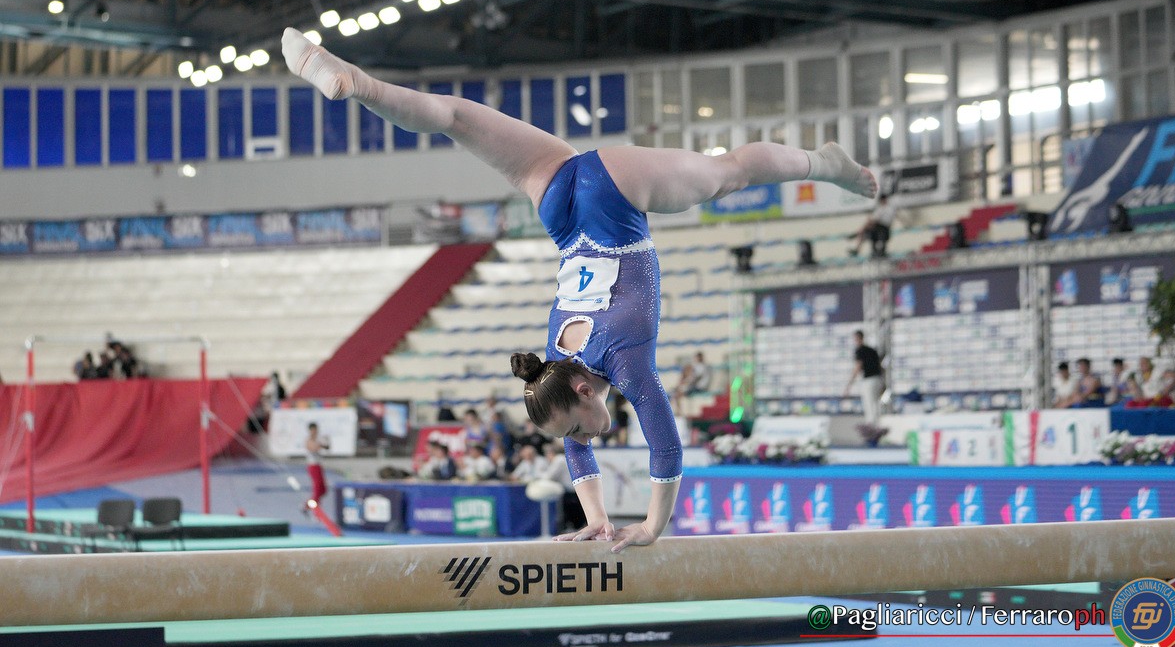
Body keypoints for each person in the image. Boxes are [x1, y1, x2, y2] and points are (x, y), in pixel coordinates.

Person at [282, 27, 876, 552]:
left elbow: (666, 448)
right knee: (456, 120)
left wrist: (653, 526)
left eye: (576, 427)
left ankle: (824, 164)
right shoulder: (555, 366)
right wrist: (597, 520)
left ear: (585, 389)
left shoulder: (624, 362)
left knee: (731, 171)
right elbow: (573, 439)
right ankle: (356, 83)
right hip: (559, 208)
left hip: (615, 198)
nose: (583, 438)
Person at [844, 330, 885, 443]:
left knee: (869, 406)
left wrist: (849, 385)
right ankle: (876, 430)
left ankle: (871, 434)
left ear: (858, 338)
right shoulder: (872, 350)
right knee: (875, 405)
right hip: (877, 379)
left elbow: (858, 367)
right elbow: (880, 367)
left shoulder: (860, 350)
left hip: (869, 381)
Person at [849, 193, 895, 257]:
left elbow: (875, 219)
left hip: (881, 227)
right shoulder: (890, 208)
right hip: (884, 227)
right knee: (867, 227)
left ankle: (858, 233)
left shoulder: (883, 208)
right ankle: (859, 234)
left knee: (868, 224)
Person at [303, 422, 330, 513]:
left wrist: (325, 443)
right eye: (313, 430)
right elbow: (313, 448)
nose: (315, 431)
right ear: (310, 430)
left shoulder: (318, 439)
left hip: (318, 465)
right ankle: (308, 506)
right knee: (317, 489)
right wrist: (321, 444)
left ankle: (312, 504)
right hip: (313, 466)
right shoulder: (309, 440)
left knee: (323, 489)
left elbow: (327, 447)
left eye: (316, 430)